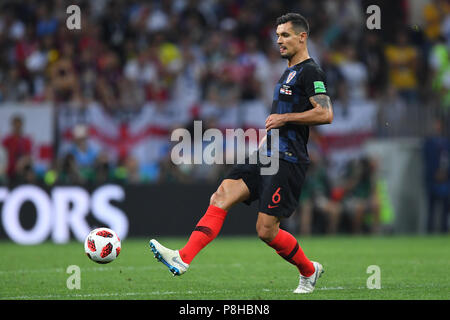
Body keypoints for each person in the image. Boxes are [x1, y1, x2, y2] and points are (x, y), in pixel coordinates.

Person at [149, 13, 334, 294]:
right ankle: (183, 257)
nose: (279, 40)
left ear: (302, 37)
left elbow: (325, 113)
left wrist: (285, 119)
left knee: (266, 231)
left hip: (288, 160)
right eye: (277, 35)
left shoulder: (311, 72)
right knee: (221, 195)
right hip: (267, 154)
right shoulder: (288, 71)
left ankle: (309, 271)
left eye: (285, 35)